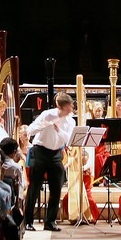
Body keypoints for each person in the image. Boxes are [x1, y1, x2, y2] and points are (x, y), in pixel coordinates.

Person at [22, 93, 76, 232]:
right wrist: (45, 124)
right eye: (69, 106)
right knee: (34, 187)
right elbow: (30, 130)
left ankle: (50, 222)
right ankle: (28, 222)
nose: (71, 108)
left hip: (56, 154)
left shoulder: (71, 121)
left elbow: (68, 140)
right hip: (40, 151)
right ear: (61, 106)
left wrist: (58, 129)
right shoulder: (47, 114)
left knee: (56, 188)